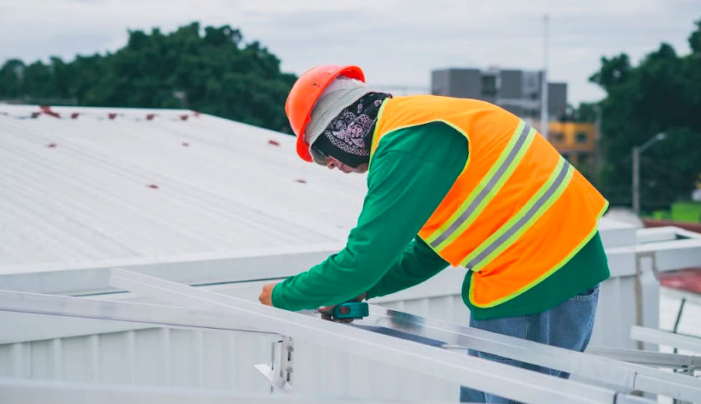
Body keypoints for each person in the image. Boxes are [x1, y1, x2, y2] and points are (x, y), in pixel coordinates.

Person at [258, 64, 610, 403]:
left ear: (339, 126)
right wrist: (363, 289)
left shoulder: (406, 142)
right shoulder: (416, 126)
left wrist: (281, 297)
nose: (330, 165)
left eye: (322, 152)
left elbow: (361, 261)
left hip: (538, 277)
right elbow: (427, 253)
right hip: (541, 273)